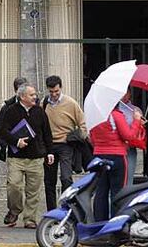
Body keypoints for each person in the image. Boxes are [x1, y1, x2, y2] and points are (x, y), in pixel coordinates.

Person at [0, 83, 54, 229]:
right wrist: (16, 141)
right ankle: (14, 210)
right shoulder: (10, 111)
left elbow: (47, 133)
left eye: (35, 94)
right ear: (22, 97)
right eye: (32, 95)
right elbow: (1, 131)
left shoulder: (40, 112)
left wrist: (50, 152)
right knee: (14, 186)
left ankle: (30, 219)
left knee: (33, 191)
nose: (35, 97)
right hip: (16, 158)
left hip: (36, 158)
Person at [89, 97, 144, 221]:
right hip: (117, 157)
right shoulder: (116, 115)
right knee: (118, 193)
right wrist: (136, 121)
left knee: (101, 192)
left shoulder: (95, 118)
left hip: (98, 156)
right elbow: (128, 135)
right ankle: (116, 224)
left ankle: (100, 223)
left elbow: (91, 138)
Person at [43, 75, 87, 211]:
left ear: (60, 88)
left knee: (66, 177)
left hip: (65, 144)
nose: (54, 94)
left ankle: (67, 208)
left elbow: (83, 123)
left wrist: (80, 136)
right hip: (49, 145)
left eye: (56, 91)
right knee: (49, 180)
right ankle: (51, 211)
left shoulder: (71, 103)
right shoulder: (44, 103)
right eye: (51, 92)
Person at [0, 77, 27, 162]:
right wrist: (5, 146)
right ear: (15, 91)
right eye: (20, 93)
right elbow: (0, 129)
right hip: (12, 150)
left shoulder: (35, 105)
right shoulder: (6, 107)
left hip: (31, 150)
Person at [118, 88, 142, 186]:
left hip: (131, 146)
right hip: (118, 146)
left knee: (129, 175)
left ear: (130, 94)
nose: (124, 95)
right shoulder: (114, 109)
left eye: (126, 93)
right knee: (118, 177)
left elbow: (140, 129)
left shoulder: (135, 109)